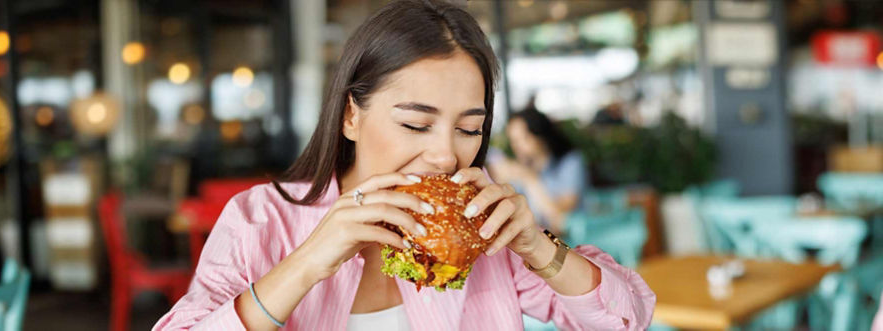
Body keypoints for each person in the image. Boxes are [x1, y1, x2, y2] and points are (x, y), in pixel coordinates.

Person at [153, 1, 654, 330]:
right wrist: (306, 262)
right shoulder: (259, 220)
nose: (445, 155)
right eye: (416, 125)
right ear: (351, 114)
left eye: (469, 128)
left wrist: (537, 247)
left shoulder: (485, 234)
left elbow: (628, 318)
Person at [488, 106, 586, 234]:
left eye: (524, 138)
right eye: (514, 141)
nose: (517, 146)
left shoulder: (570, 162)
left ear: (540, 135)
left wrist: (529, 179)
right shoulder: (521, 167)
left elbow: (560, 219)